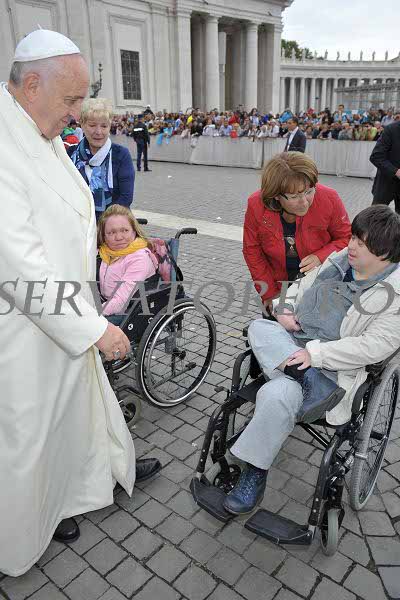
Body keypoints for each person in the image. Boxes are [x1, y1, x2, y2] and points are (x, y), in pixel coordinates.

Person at [0, 29, 160, 577]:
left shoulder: (37, 130)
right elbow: (19, 267)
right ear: (32, 85)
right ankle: (14, 537)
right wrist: (93, 328)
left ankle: (57, 504)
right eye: (71, 100)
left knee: (61, 421)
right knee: (24, 435)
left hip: (59, 313)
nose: (77, 113)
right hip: (24, 325)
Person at [225, 205, 400, 514]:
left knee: (277, 393)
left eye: (361, 242)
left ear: (384, 253)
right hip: (292, 344)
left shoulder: (393, 294)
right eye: (353, 237)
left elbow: (375, 347)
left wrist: (315, 354)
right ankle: (294, 376)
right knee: (259, 327)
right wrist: (285, 309)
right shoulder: (339, 261)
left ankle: (255, 469)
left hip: (330, 369)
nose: (351, 245)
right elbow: (299, 286)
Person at [243, 152, 351, 313]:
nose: (304, 202)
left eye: (309, 191)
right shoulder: (256, 204)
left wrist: (321, 257)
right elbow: (252, 250)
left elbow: (346, 238)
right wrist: (269, 293)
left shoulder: (329, 198)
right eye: (294, 196)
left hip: (319, 285)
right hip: (277, 284)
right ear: (276, 195)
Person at [70, 97, 135, 219]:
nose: (98, 132)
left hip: (112, 224)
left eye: (104, 126)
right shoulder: (70, 154)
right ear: (82, 125)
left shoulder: (121, 155)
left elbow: (126, 198)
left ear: (110, 127)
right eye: (92, 125)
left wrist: (102, 224)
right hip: (78, 223)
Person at [98, 205, 158, 325]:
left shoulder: (140, 258)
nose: (119, 237)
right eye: (111, 232)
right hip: (105, 302)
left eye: (125, 230)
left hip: (130, 310)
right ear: (104, 236)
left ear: (134, 231)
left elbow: (121, 302)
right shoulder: (104, 252)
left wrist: (92, 314)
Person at [370, 120, 400, 213]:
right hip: (386, 183)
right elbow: (376, 156)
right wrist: (396, 171)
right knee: (375, 217)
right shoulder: (391, 129)